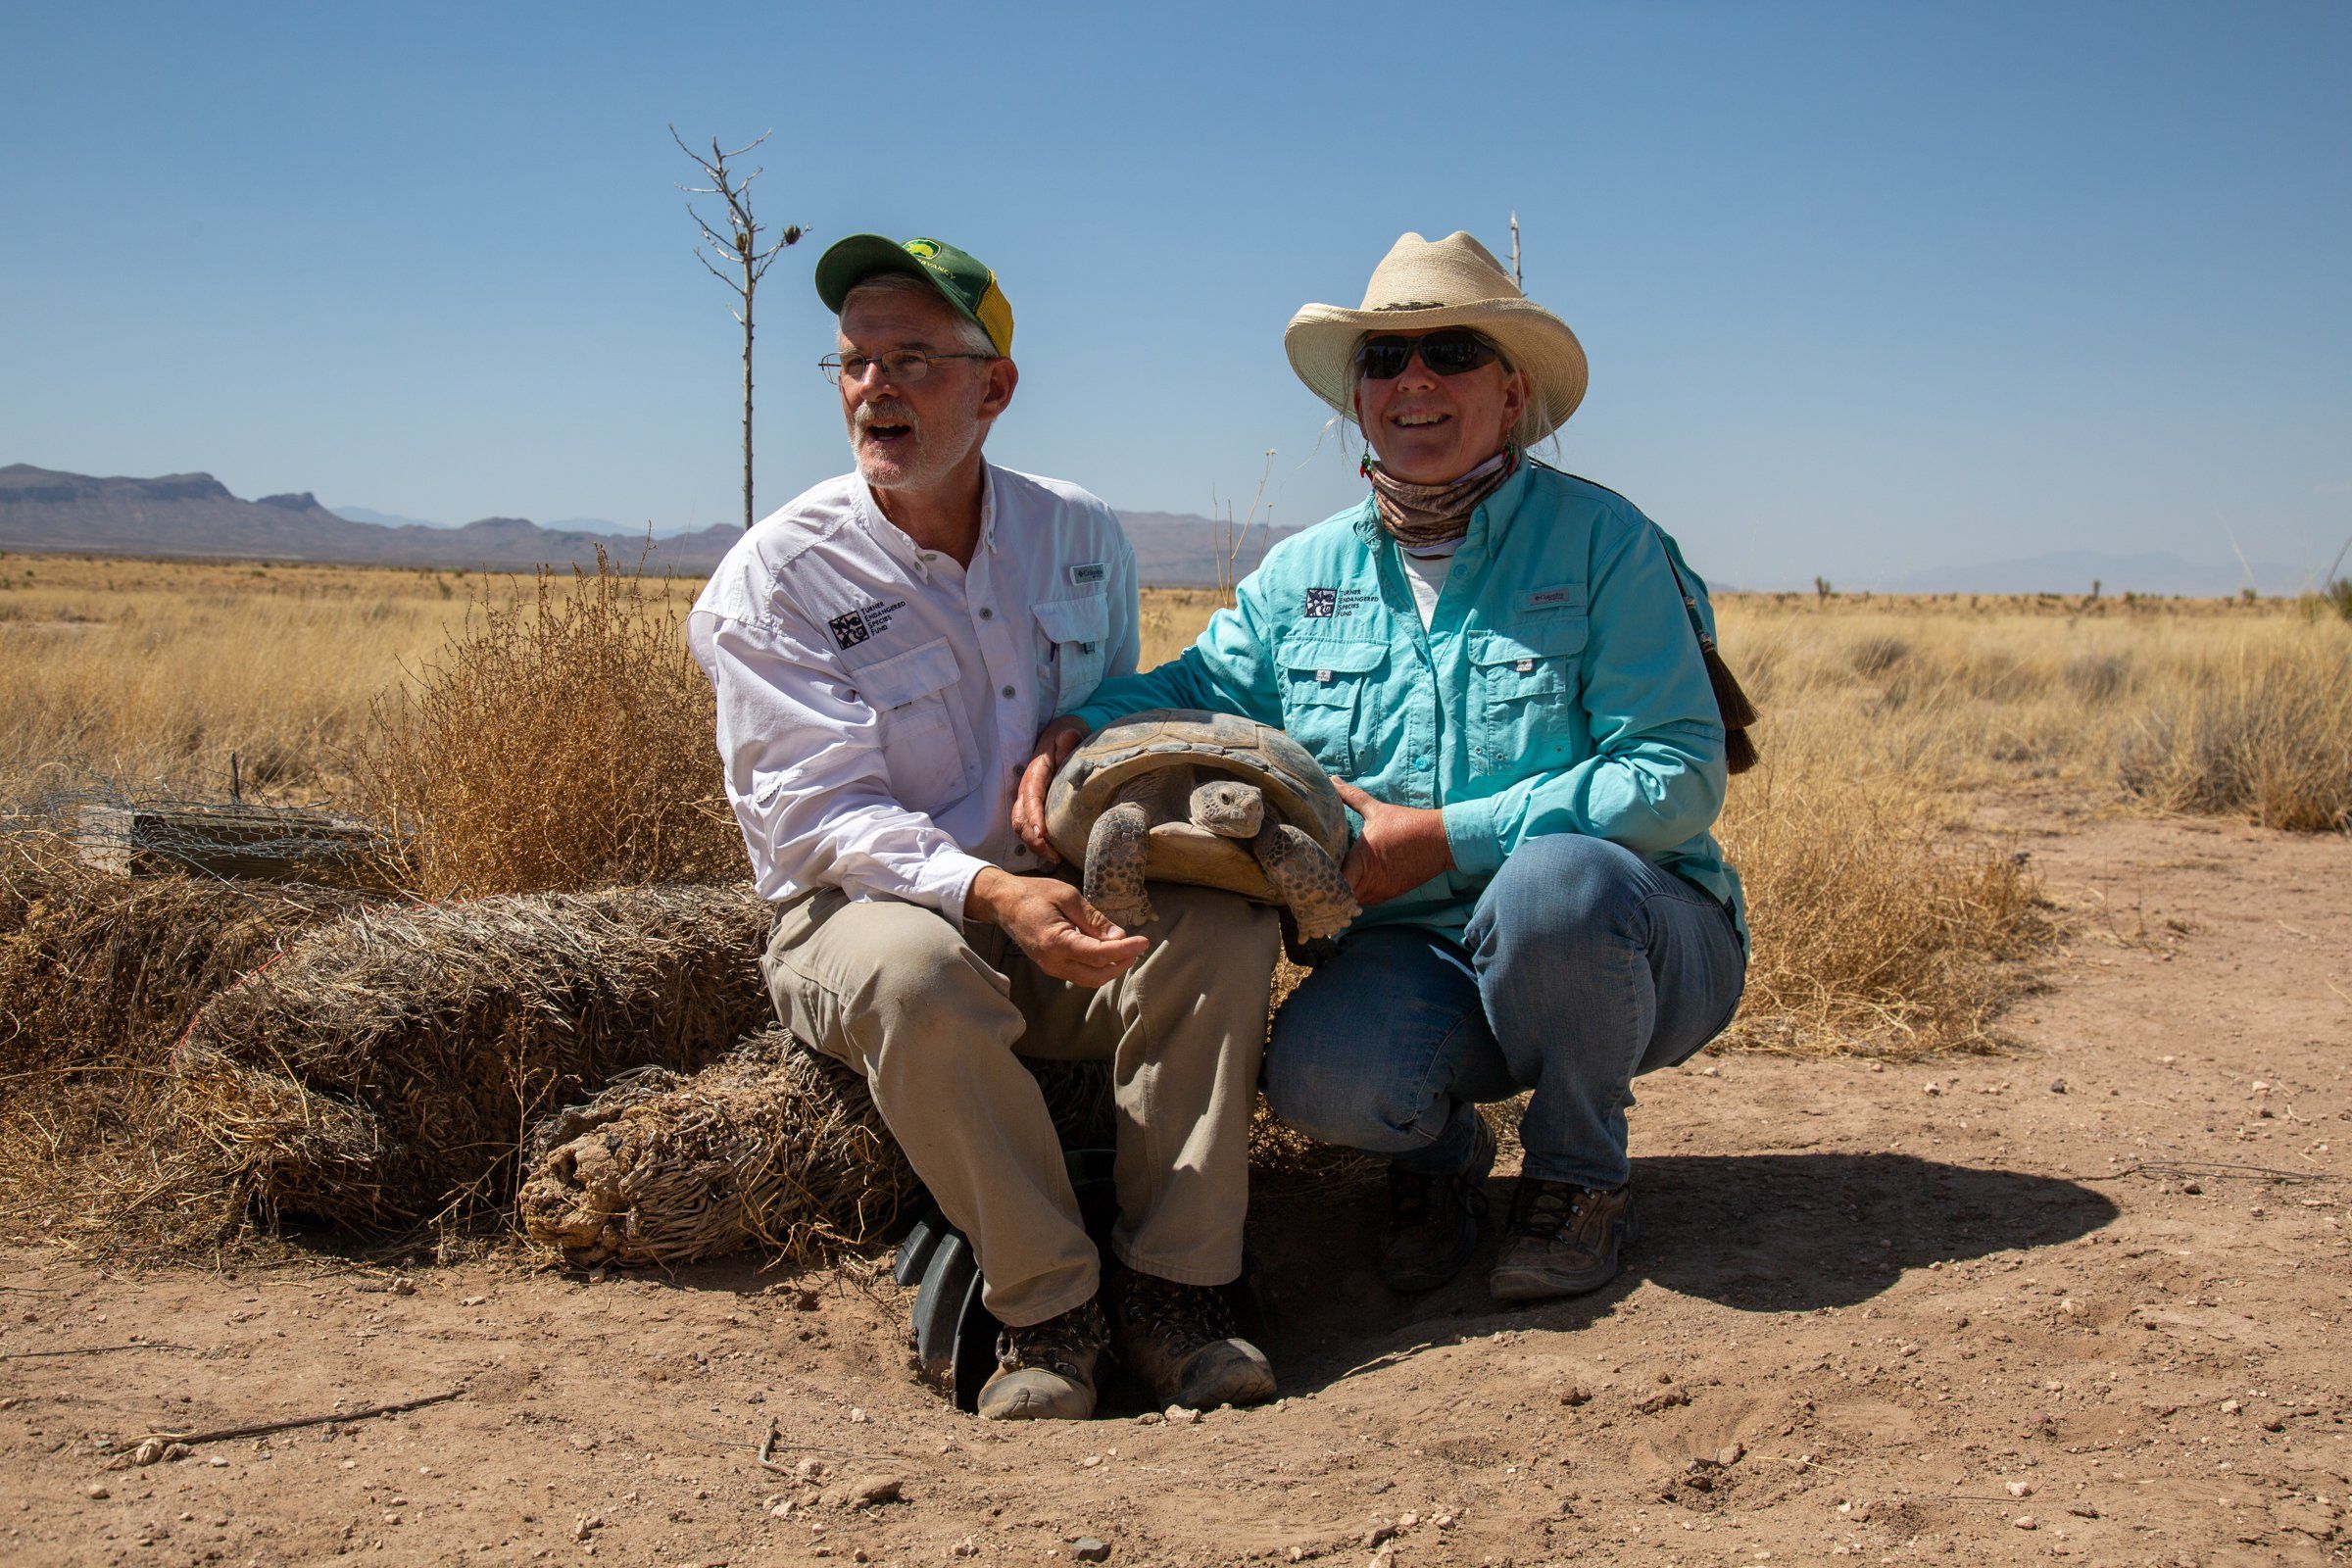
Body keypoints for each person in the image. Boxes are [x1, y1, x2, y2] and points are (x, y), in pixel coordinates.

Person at [1017, 230, 1748, 1304]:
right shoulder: (1301, 576)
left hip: (1634, 940)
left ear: (1510, 391)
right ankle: (1435, 1165)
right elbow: (1197, 691)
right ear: (1356, 399)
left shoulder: (1608, 545)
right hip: (1418, 955)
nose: (1414, 381)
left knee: (1554, 883)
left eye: (1449, 352)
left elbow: (1678, 771)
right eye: (1383, 358)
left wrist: (1448, 838)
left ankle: (1579, 1175)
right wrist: (1074, 729)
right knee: (1322, 1079)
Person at [688, 234, 1281, 1420]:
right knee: (915, 976)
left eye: (910, 358)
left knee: (1221, 928)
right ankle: (1047, 1311)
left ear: (994, 387)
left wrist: (1096, 795)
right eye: (852, 362)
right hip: (864, 907)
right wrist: (993, 893)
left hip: (1056, 892)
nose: (874, 389)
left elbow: (1107, 721)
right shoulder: (780, 575)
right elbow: (818, 817)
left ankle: (1176, 1298)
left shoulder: (1078, 535)